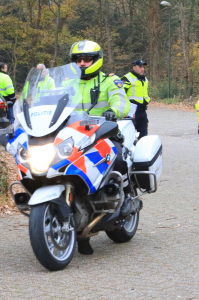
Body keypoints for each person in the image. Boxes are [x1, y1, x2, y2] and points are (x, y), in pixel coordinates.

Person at [69, 40, 131, 256]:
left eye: (87, 59)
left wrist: (113, 111)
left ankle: (122, 201)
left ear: (96, 60)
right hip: (72, 136)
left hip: (104, 132)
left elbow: (121, 101)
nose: (82, 63)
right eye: (78, 59)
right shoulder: (66, 83)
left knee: (118, 158)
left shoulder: (109, 81)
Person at [123, 59, 151, 138]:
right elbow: (120, 95)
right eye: (140, 66)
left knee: (143, 136)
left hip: (142, 110)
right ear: (134, 67)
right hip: (131, 111)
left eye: (143, 67)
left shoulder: (144, 79)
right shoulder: (127, 78)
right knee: (128, 137)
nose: (142, 69)